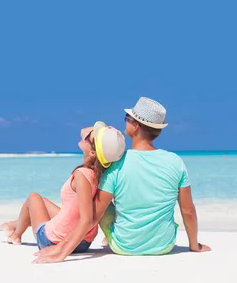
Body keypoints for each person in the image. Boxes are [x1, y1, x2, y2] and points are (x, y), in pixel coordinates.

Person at [34, 97, 211, 264]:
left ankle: (112, 235)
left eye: (128, 117)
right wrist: (194, 245)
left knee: (102, 205)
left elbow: (93, 217)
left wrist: (62, 250)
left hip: (124, 246)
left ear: (136, 127)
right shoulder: (176, 162)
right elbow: (188, 211)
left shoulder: (117, 164)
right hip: (163, 246)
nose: (125, 120)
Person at [0, 122, 126, 256]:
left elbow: (86, 219)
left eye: (89, 136)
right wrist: (109, 137)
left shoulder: (82, 175)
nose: (86, 134)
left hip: (53, 241)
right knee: (45, 202)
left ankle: (16, 235)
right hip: (84, 243)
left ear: (92, 152)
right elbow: (84, 131)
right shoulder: (104, 175)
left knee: (33, 198)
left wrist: (62, 253)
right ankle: (17, 224)